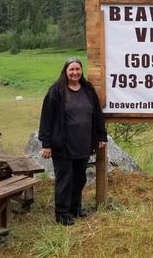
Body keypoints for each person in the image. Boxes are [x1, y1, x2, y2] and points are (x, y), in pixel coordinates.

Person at [39, 57, 108, 226]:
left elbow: (97, 115)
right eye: (72, 69)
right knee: (65, 180)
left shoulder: (88, 90)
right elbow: (46, 118)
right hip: (63, 145)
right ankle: (62, 213)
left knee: (80, 178)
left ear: (81, 71)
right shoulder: (56, 91)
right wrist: (46, 144)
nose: (75, 72)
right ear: (65, 71)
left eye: (78, 69)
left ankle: (75, 208)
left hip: (83, 144)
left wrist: (101, 136)